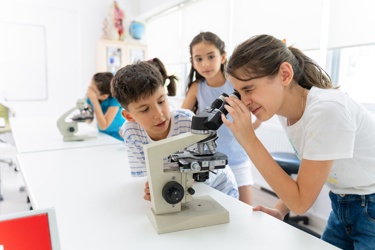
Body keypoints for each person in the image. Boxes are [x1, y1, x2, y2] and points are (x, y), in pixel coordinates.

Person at [223, 34, 375, 249]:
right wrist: (280, 210)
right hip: (343, 203)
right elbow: (309, 171)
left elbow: (301, 203)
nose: (244, 101)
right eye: (239, 93)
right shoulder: (288, 111)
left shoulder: (327, 109)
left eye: (249, 89)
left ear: (285, 75)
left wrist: (249, 140)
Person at [111, 61, 239, 200]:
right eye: (145, 109)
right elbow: (150, 175)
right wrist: (155, 187)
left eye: (161, 101)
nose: (158, 114)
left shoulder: (187, 121)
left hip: (219, 187)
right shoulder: (131, 133)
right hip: (185, 191)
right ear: (129, 116)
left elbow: (207, 167)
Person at [182, 31, 261, 206]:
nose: (205, 64)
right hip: (209, 162)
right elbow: (180, 118)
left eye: (211, 56)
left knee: (245, 213)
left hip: (237, 160)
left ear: (223, 57)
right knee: (214, 211)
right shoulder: (197, 87)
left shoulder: (234, 84)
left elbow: (256, 109)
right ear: (193, 63)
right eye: (199, 59)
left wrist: (250, 129)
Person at [86, 72, 125, 141]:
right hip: (102, 135)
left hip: (118, 136)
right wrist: (85, 115)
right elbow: (89, 120)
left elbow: (103, 126)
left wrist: (95, 102)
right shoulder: (91, 95)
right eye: (89, 87)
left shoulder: (114, 99)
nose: (89, 91)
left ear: (104, 96)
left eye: (93, 90)